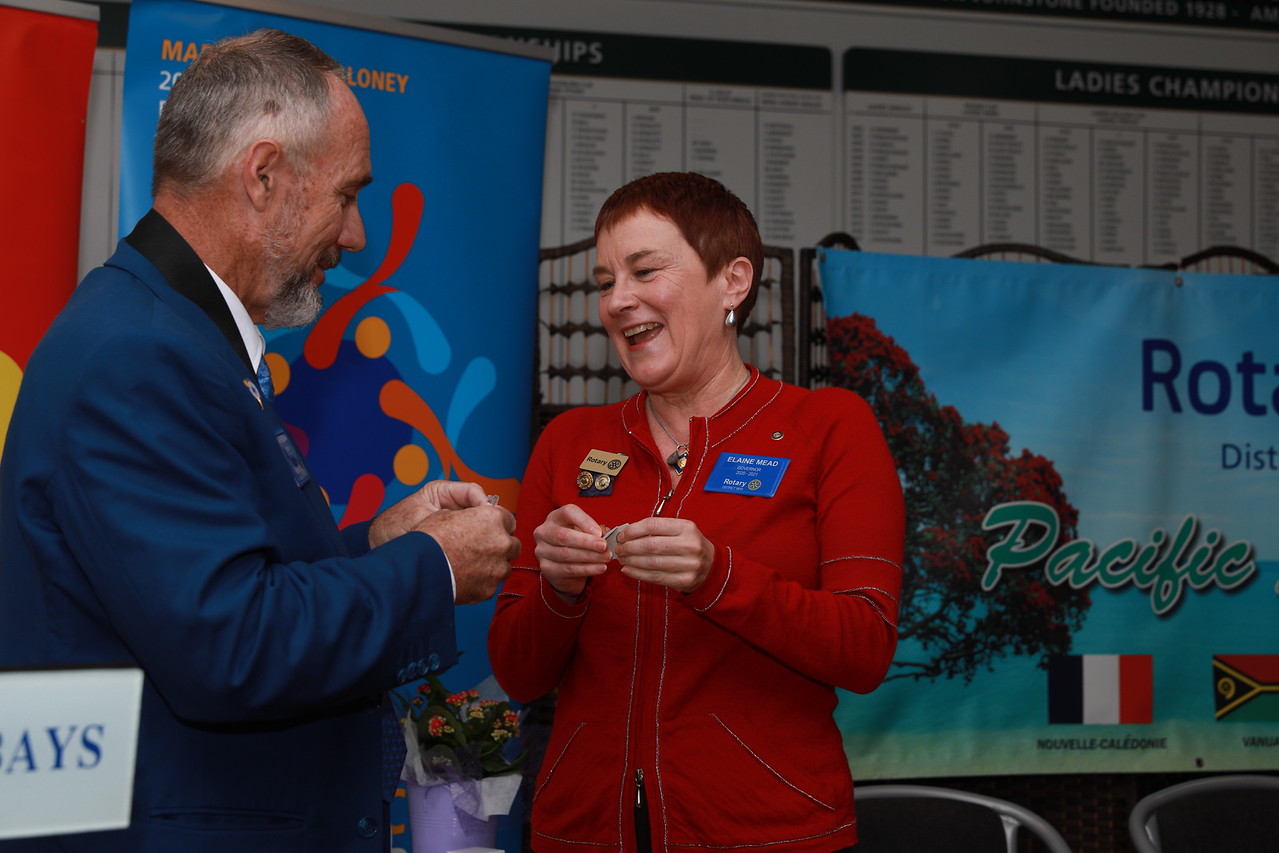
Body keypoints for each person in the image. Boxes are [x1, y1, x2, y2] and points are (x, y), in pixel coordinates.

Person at [0, 29, 518, 852]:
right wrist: (435, 565)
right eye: (347, 195)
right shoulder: (139, 355)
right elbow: (232, 645)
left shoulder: (168, 334)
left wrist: (375, 543)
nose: (356, 235)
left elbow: (213, 580)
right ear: (264, 175)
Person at [488, 172, 905, 853]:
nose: (617, 300)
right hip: (583, 831)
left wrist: (719, 577)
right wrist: (559, 591)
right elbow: (518, 673)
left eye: (645, 270)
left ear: (732, 281)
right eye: (604, 281)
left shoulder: (828, 427)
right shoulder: (568, 442)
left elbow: (864, 649)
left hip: (767, 832)